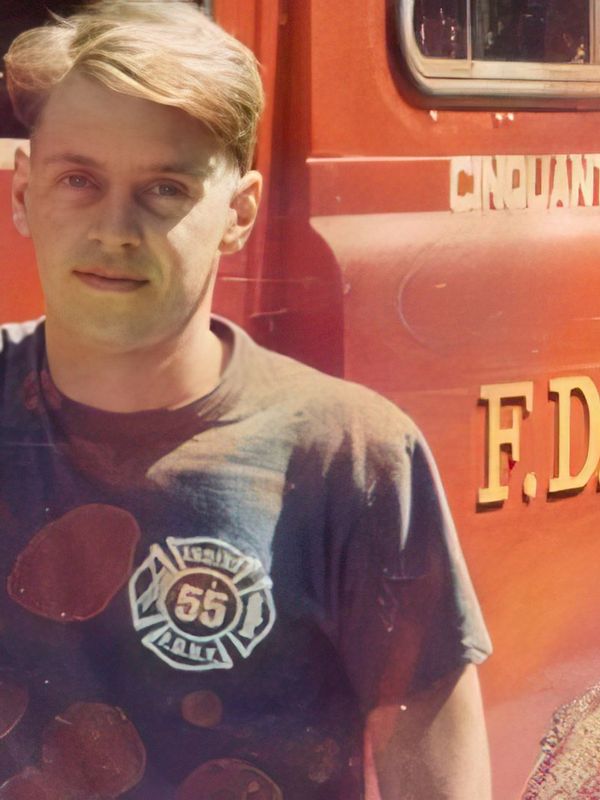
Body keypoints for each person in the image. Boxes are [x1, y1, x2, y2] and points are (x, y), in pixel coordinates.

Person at [0, 2, 492, 797]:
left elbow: (438, 780)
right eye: (78, 180)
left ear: (240, 213)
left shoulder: (350, 456)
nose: (115, 229)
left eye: (165, 188)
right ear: (24, 192)